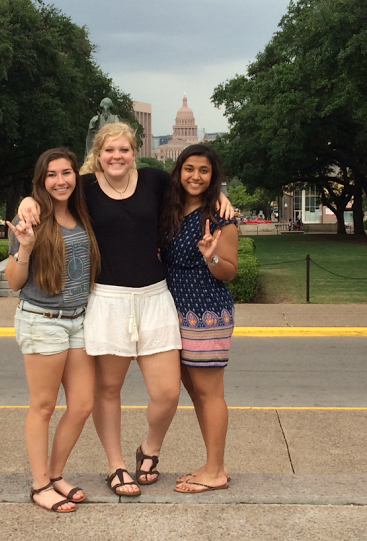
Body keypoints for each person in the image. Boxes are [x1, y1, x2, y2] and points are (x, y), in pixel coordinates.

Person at [18, 123, 234, 497]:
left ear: (136, 151)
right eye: (108, 150)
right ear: (97, 155)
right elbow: (50, 190)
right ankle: (116, 465)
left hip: (155, 298)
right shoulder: (84, 188)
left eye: (124, 149)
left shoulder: (154, 181)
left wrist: (222, 200)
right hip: (107, 299)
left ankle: (149, 449)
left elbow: (193, 187)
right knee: (107, 390)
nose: (116, 156)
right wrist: (27, 201)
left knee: (167, 392)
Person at [5, 148, 100, 512]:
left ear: (77, 175)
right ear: (41, 180)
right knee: (43, 406)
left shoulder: (82, 209)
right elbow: (14, 282)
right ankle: (40, 484)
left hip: (78, 319)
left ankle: (56, 475)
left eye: (67, 172)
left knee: (81, 405)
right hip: (42, 320)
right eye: (51, 175)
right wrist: (25, 249)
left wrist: (217, 190)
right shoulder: (29, 217)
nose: (60, 180)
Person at [160, 144, 238, 493]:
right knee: (195, 392)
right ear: (179, 171)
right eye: (189, 168)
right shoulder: (171, 208)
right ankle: (214, 464)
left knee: (209, 393)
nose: (195, 176)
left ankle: (215, 470)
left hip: (206, 311)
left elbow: (230, 271)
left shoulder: (221, 217)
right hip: (174, 310)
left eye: (204, 170)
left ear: (213, 175)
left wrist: (211, 257)